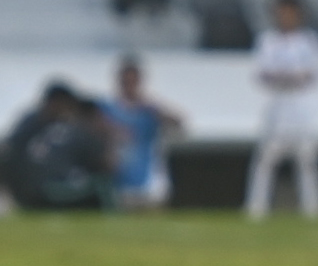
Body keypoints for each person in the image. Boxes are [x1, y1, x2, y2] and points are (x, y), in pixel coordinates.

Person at [244, 0, 318, 219]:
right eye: (282, 13)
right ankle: (256, 208)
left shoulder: (309, 41)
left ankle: (313, 209)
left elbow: (313, 73)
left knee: (307, 160)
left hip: (301, 107)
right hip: (277, 107)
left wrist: (288, 77)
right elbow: (262, 73)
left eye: (290, 13)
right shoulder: (267, 41)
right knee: (266, 159)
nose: (286, 17)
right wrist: (288, 78)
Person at [3, 82, 114, 210]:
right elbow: (106, 164)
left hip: (28, 193)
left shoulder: (33, 121)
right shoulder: (73, 128)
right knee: (100, 185)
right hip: (51, 189)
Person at [102, 55, 185, 208]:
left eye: (133, 80)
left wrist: (153, 108)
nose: (129, 85)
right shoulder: (107, 108)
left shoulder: (150, 109)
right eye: (125, 81)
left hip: (149, 176)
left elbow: (179, 124)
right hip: (118, 176)